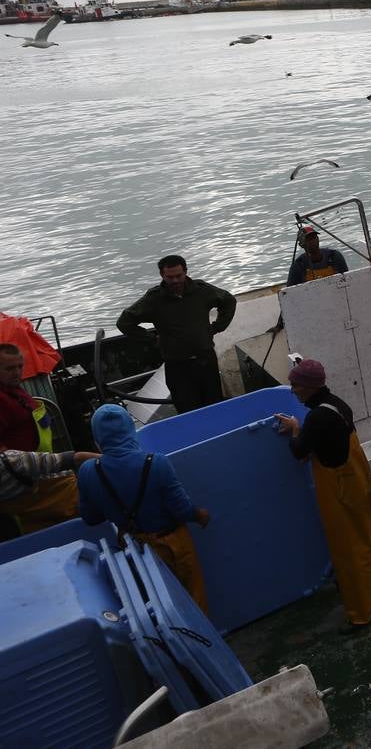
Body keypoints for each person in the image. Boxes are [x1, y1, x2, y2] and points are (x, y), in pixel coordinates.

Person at [273, 359, 371, 630]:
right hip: (359, 478)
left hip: (340, 487)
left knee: (349, 549)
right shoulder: (338, 404)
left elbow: (300, 453)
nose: (292, 390)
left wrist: (295, 430)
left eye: (295, 385)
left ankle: (361, 612)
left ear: (310, 387)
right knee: (367, 533)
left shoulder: (316, 417)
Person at [77, 404, 211, 611]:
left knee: (157, 603)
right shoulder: (156, 463)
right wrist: (199, 515)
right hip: (172, 544)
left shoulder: (87, 472)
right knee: (194, 601)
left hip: (132, 547)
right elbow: (181, 509)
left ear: (97, 439)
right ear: (131, 431)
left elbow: (90, 518)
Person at [117, 254, 237, 413]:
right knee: (186, 407)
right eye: (170, 277)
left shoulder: (202, 291)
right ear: (162, 275)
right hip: (177, 365)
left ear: (186, 271)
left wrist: (216, 327)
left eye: (179, 276)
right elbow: (125, 322)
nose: (175, 281)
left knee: (214, 403)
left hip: (206, 360)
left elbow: (228, 301)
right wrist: (152, 338)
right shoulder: (153, 299)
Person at [0, 343, 94, 533]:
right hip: (25, 480)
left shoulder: (15, 390)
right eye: (9, 368)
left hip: (43, 467)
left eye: (20, 366)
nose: (17, 372)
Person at [271, 227, 350, 333]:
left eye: (314, 237)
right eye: (308, 239)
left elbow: (349, 284)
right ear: (301, 245)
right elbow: (288, 296)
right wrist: (279, 325)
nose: (312, 241)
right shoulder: (299, 265)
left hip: (338, 306)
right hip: (312, 311)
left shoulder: (335, 257)